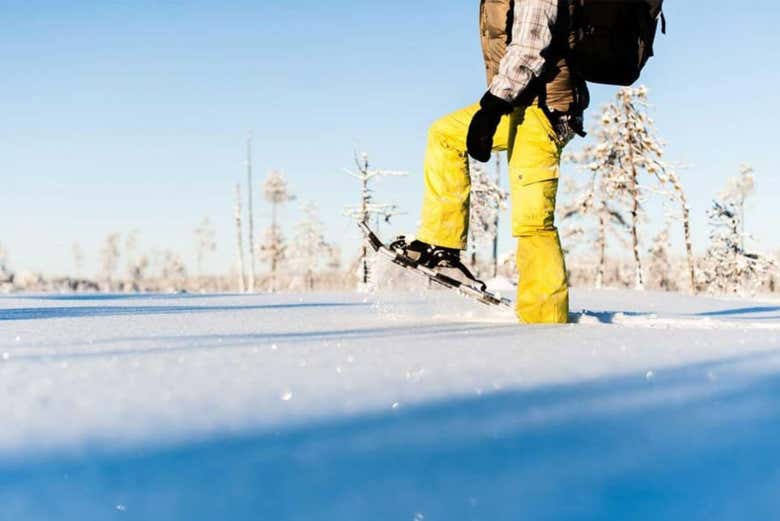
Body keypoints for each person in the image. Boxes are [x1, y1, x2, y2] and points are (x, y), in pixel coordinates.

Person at [399, 0, 589, 324]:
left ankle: (545, 323)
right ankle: (442, 247)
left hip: (545, 110)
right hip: (519, 104)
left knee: (532, 221)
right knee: (445, 134)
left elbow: (529, 47)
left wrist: (492, 107)